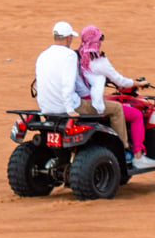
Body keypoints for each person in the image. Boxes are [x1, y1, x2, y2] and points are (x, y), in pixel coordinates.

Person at [34, 20, 130, 151]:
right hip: (68, 107)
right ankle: (123, 150)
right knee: (117, 108)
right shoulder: (70, 55)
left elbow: (39, 84)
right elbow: (70, 83)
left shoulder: (42, 56)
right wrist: (70, 109)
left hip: (46, 108)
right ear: (68, 38)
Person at [77, 24, 155, 172]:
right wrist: (137, 83)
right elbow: (119, 80)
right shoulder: (99, 60)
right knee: (136, 115)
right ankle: (137, 156)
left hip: (78, 101)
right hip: (93, 103)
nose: (101, 41)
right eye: (100, 38)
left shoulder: (78, 57)